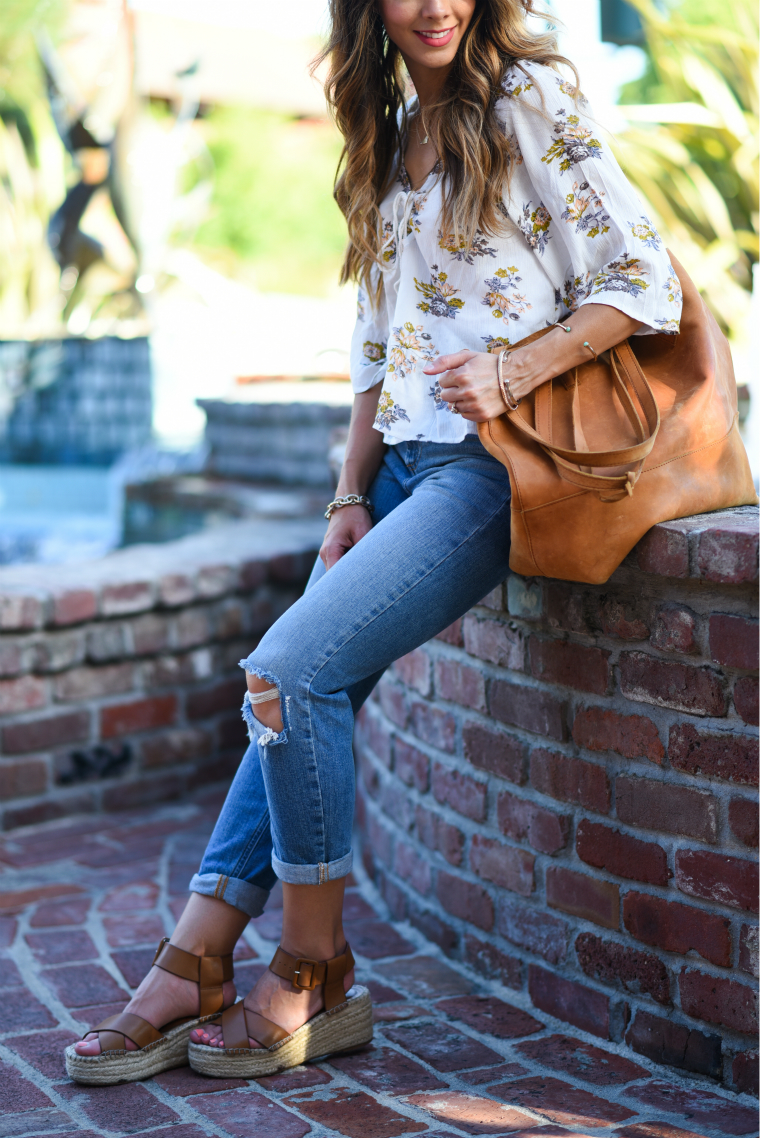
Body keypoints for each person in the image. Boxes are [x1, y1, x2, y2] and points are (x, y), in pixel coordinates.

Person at [66, 0, 681, 1083]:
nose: (434, 4)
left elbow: (642, 278)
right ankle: (196, 957)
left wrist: (512, 368)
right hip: (392, 472)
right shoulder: (390, 133)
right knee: (287, 701)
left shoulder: (527, 95)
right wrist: (347, 494)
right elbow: (376, 340)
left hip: (490, 472)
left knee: (288, 671)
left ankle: (313, 969)